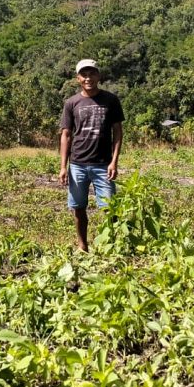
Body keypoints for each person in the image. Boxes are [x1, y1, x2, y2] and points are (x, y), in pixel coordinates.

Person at [59, 59, 125, 252]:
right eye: (84, 74)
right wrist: (64, 166)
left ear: (98, 76)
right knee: (78, 207)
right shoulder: (71, 103)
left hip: (103, 164)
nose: (88, 78)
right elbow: (66, 135)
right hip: (78, 163)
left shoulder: (110, 100)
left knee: (110, 209)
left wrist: (114, 162)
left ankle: (111, 245)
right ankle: (83, 246)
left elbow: (117, 132)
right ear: (78, 78)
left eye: (92, 73)